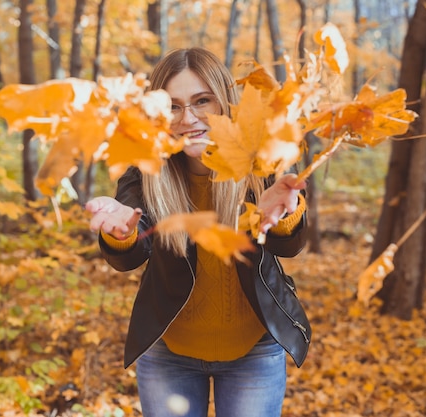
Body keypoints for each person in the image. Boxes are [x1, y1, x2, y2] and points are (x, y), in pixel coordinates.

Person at [86, 47, 311, 417]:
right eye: (173, 106)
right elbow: (128, 253)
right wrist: (120, 233)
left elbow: (290, 245)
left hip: (253, 351)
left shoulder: (263, 161)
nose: (188, 118)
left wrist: (282, 217)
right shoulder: (145, 171)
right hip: (168, 355)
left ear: (223, 102)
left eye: (201, 100)